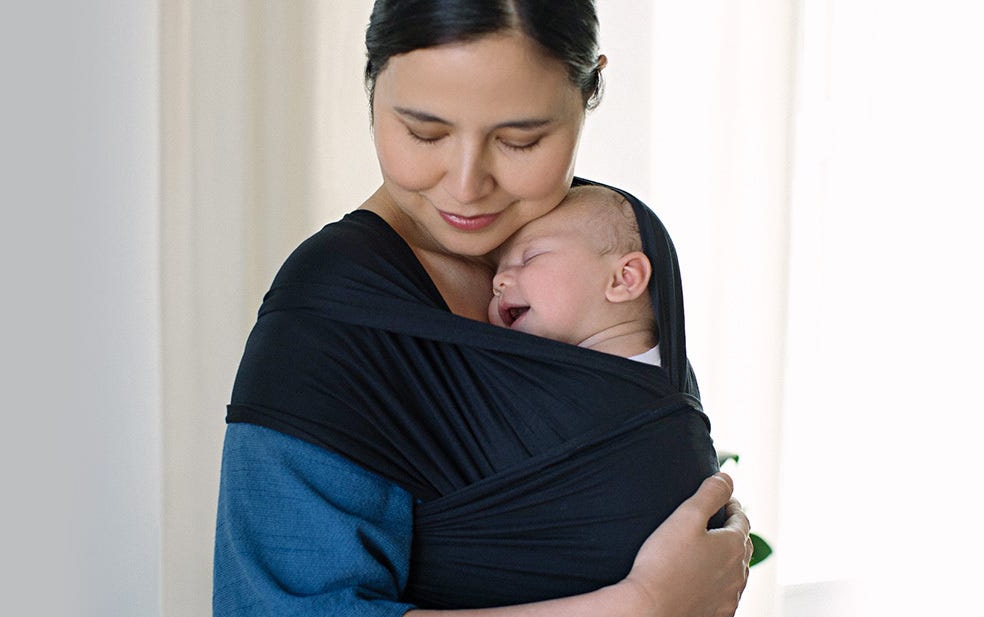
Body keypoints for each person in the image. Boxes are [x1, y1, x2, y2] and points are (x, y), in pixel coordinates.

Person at [214, 2, 753, 616]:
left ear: (590, 90)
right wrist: (640, 605)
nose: (467, 186)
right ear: (371, 83)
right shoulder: (331, 316)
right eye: (425, 132)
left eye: (520, 140)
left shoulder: (610, 246)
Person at [488, 184, 659, 362]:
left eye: (529, 258)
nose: (497, 280)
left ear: (623, 279)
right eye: (496, 270)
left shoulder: (624, 383)